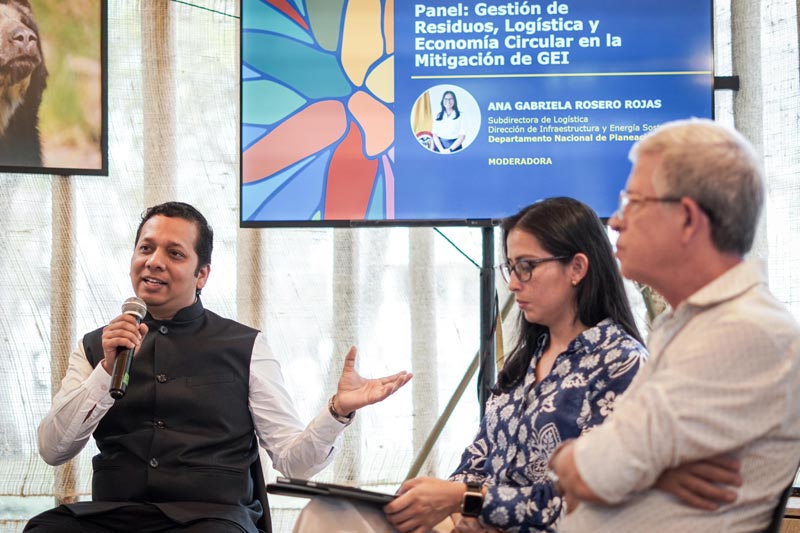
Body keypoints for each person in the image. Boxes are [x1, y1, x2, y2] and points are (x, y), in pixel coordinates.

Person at [26, 201, 413, 533]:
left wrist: (338, 411)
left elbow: (294, 462)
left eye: (174, 253)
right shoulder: (98, 346)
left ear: (202, 275)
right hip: (116, 514)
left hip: (211, 518)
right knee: (45, 528)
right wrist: (105, 370)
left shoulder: (244, 346)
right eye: (146, 248)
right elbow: (53, 449)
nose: (154, 262)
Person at [549, 118, 800, 531]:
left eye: (633, 202)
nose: (614, 221)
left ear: (687, 218)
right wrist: (640, 473)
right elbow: (583, 471)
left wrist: (588, 467)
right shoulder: (686, 322)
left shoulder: (742, 330)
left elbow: (599, 472)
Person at [383, 197, 648, 532]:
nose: (512, 283)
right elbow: (476, 461)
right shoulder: (526, 361)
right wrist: (461, 511)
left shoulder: (621, 364)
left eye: (527, 266)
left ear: (578, 268)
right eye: (511, 266)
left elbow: (586, 501)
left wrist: (471, 502)